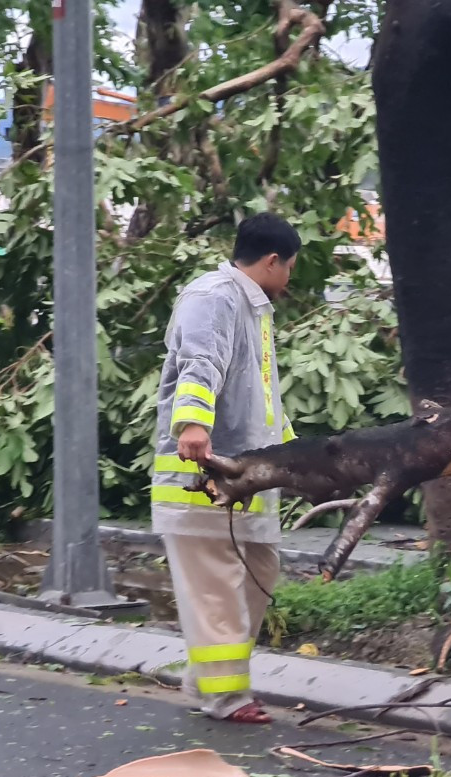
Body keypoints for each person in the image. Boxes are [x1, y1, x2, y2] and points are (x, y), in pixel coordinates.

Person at [151, 212, 300, 724]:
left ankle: (205, 681)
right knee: (216, 582)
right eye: (291, 268)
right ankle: (226, 697)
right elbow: (199, 363)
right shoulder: (214, 296)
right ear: (273, 260)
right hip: (203, 473)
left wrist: (291, 459)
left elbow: (258, 394)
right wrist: (192, 424)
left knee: (260, 571)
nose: (291, 281)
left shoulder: (251, 306)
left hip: (246, 473)